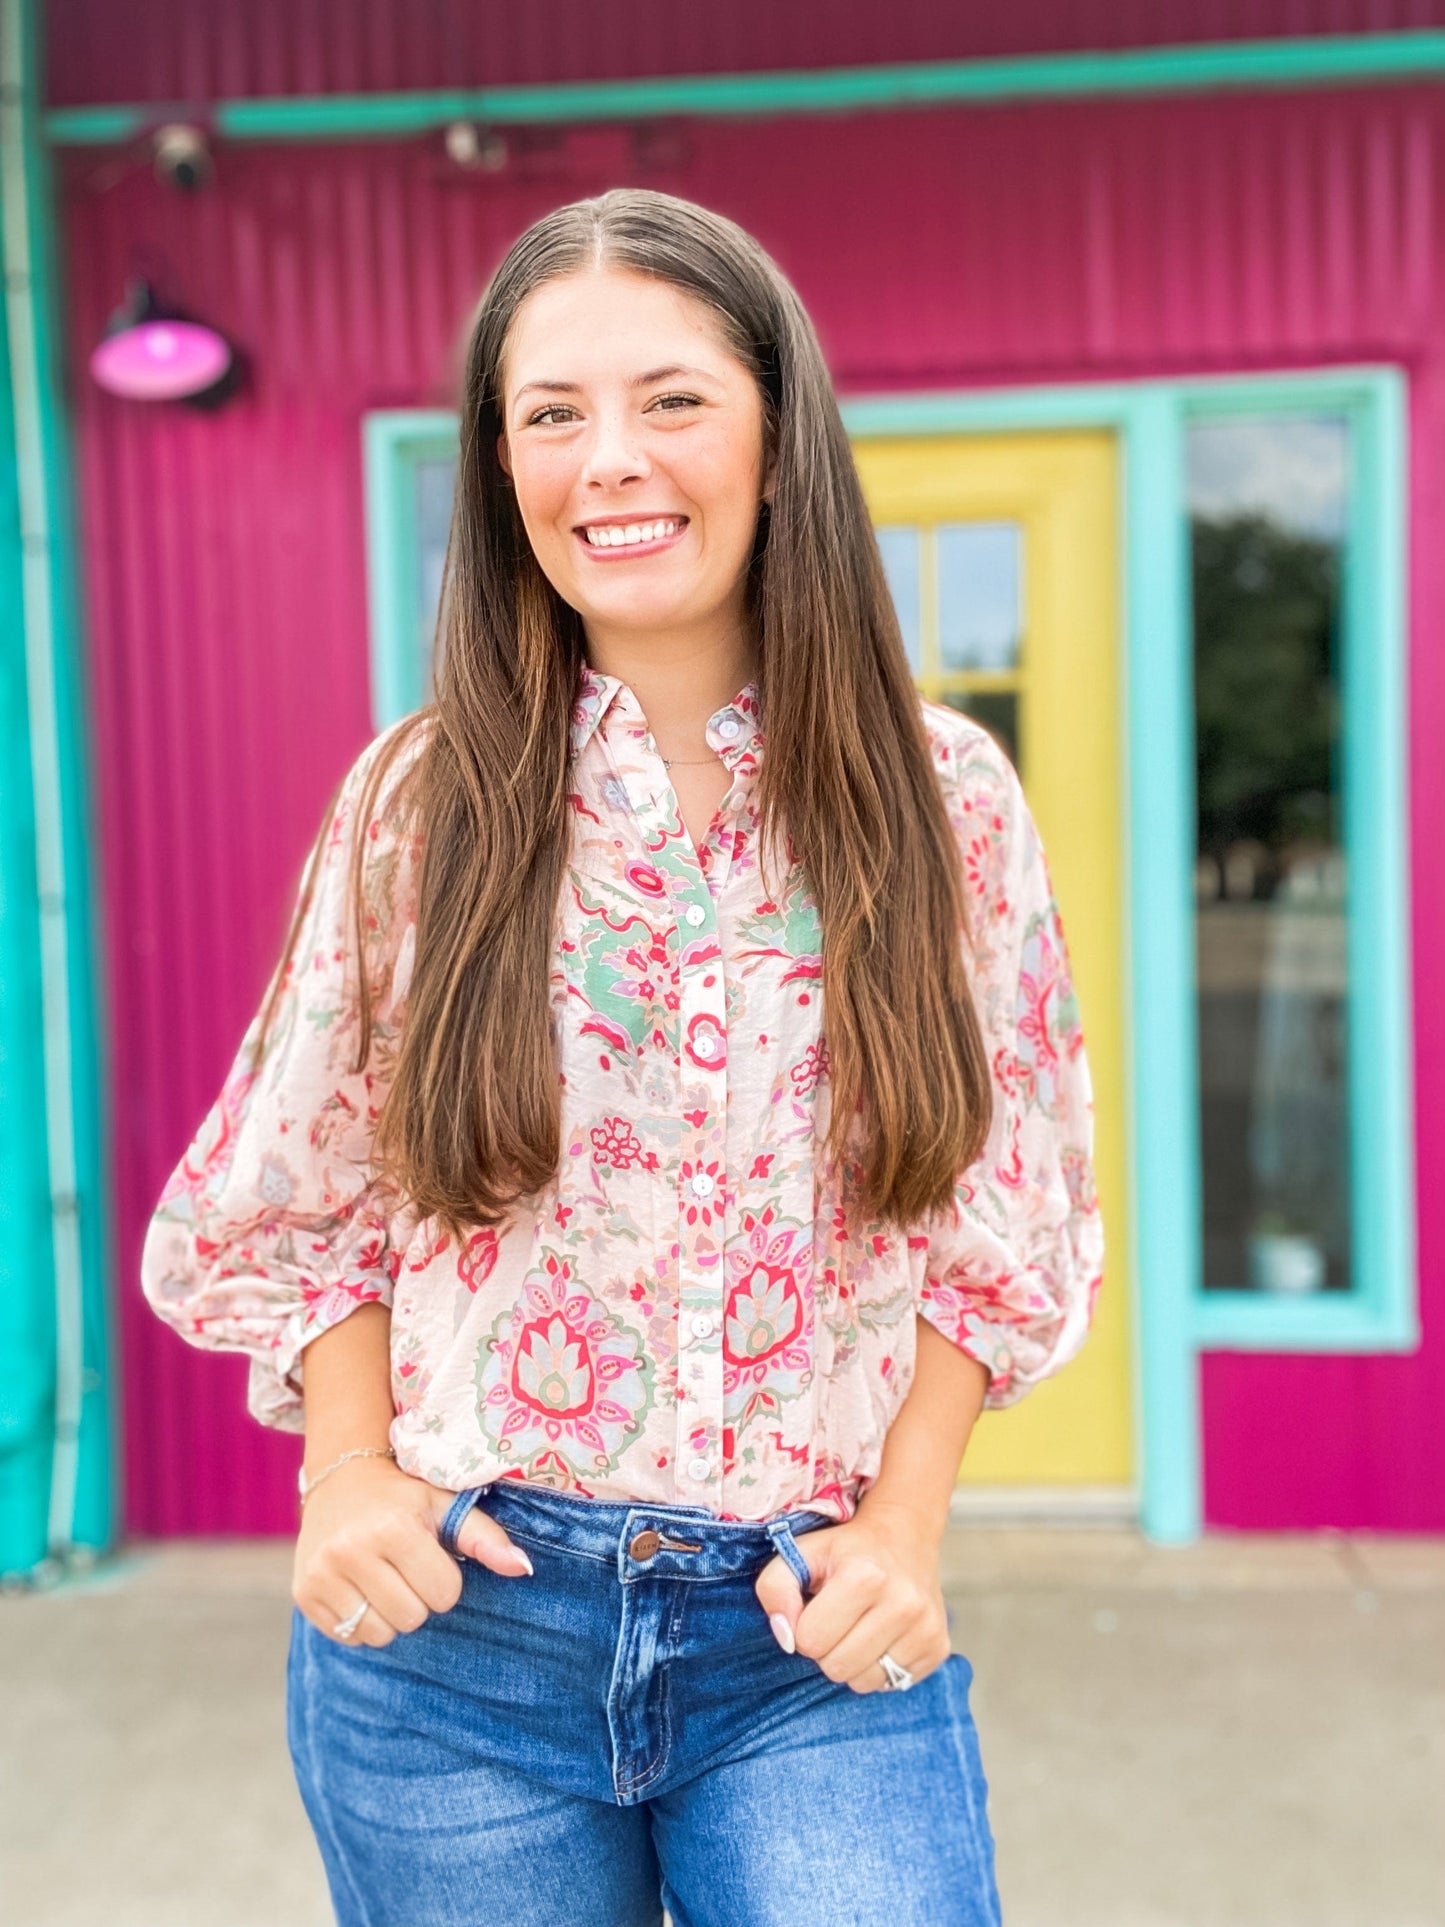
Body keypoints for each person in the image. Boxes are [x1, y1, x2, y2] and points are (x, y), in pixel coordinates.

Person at [141, 186, 1103, 1927]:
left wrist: (904, 1527)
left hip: (802, 1644)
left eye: (669, 399)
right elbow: (304, 1188)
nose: (611, 461)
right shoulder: (420, 801)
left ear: (773, 429)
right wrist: (347, 1469)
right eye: (551, 414)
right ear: (502, 469)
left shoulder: (942, 797)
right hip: (457, 1651)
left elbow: (1001, 1207)